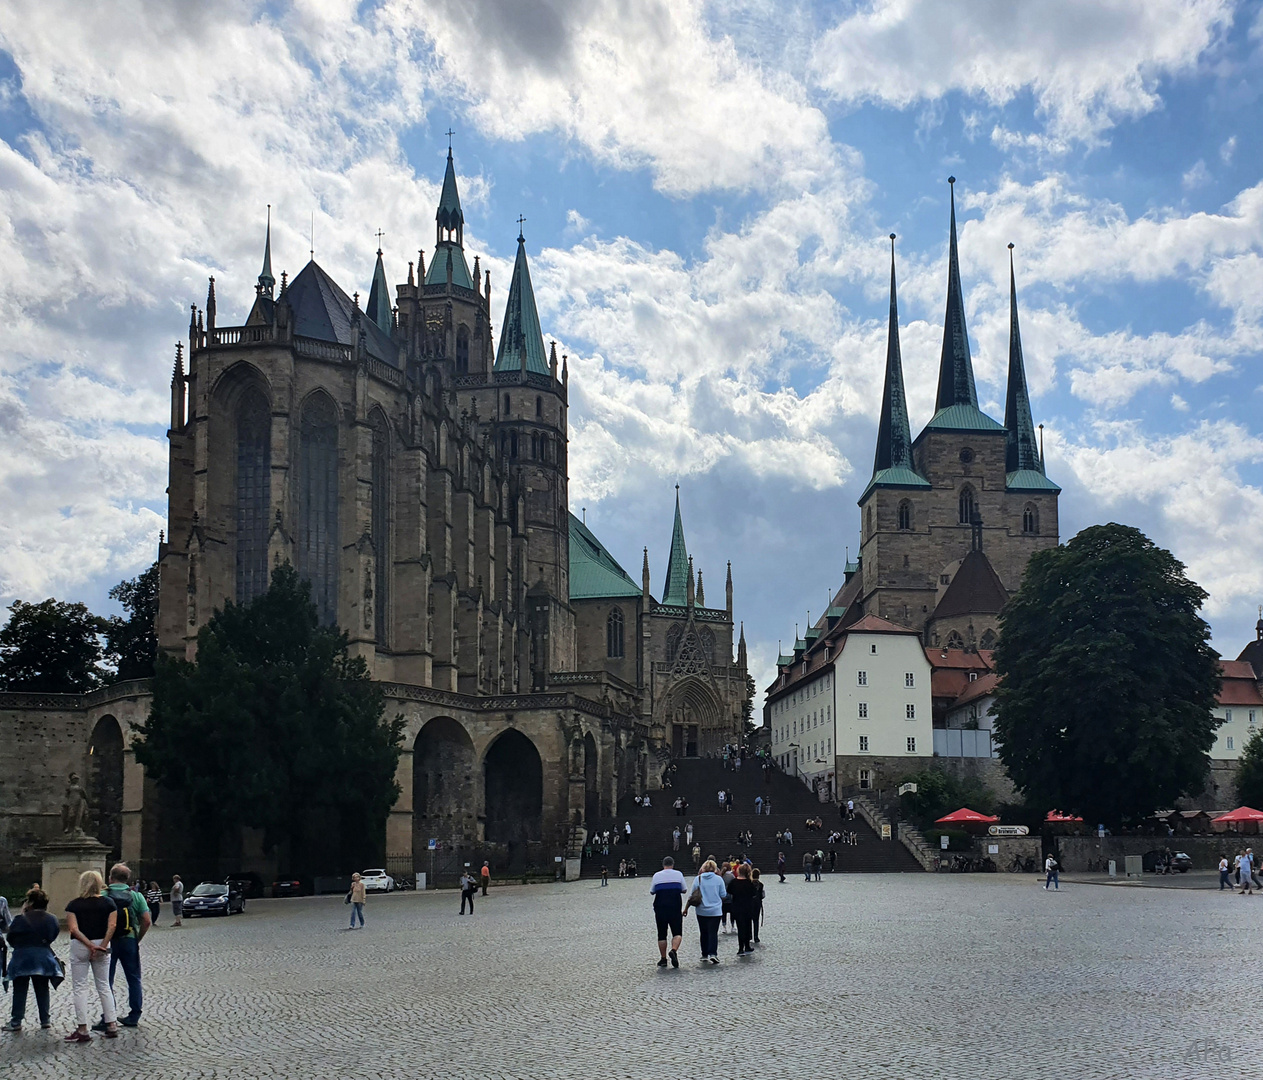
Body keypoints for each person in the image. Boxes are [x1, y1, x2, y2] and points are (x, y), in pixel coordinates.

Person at [64, 870, 118, 1042]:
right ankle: (111, 1024)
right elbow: (112, 925)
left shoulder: (74, 905)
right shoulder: (109, 903)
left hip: (80, 945)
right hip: (102, 942)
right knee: (104, 985)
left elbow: (73, 929)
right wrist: (101, 946)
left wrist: (89, 945)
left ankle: (82, 1029)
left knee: (80, 987)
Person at [97, 863, 150, 1029]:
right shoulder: (136, 896)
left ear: (110, 878)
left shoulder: (103, 895)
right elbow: (147, 920)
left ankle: (108, 1017)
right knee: (133, 978)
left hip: (107, 941)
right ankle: (134, 1015)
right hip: (129, 939)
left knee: (107, 981)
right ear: (128, 879)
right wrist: (137, 938)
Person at [6, 887, 62, 1031]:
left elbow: (10, 937)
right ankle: (45, 1019)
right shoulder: (52, 919)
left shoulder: (20, 919)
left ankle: (16, 1021)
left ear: (29, 902)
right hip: (43, 958)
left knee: (19, 989)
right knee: (43, 988)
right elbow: (53, 935)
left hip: (22, 958)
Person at [686, 860, 728, 964]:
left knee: (703, 932)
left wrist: (686, 908)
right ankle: (713, 953)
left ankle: (704, 954)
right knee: (713, 932)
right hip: (715, 911)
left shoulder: (698, 879)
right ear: (715, 868)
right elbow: (723, 895)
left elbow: (692, 895)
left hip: (701, 910)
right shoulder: (719, 879)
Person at [650, 857, 687, 968]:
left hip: (660, 908)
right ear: (673, 864)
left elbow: (652, 891)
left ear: (663, 864)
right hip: (675, 907)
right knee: (677, 932)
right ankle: (674, 950)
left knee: (662, 934)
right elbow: (684, 889)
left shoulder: (657, 875)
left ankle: (663, 958)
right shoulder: (678, 874)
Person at [728, 862, 757, 955]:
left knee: (740, 927)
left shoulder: (733, 882)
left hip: (736, 907)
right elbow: (754, 894)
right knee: (747, 926)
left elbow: (729, 891)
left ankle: (741, 948)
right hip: (748, 907)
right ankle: (747, 946)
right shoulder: (749, 883)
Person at [751, 868, 765, 945]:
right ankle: (756, 936)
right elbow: (763, 895)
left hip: (750, 903)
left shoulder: (749, 884)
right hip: (757, 904)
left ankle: (749, 935)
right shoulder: (761, 884)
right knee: (756, 920)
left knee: (749, 919)